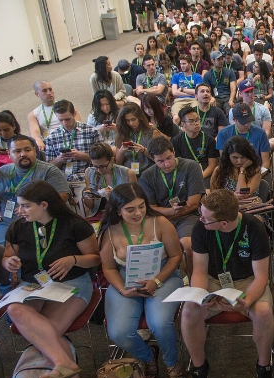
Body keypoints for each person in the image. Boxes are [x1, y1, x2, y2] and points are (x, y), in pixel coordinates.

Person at [2, 180, 99, 378]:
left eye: (25, 206)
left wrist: (73, 259)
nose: (19, 211)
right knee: (14, 309)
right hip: (34, 286)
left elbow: (95, 258)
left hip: (72, 283)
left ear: (44, 205)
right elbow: (6, 255)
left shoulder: (75, 224)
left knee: (50, 332)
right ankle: (65, 365)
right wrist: (9, 262)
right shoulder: (18, 228)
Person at [182, 189, 274, 378]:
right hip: (213, 280)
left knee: (263, 312)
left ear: (223, 223)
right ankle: (200, 370)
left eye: (206, 218)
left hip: (248, 280)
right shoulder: (201, 228)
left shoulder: (254, 228)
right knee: (189, 311)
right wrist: (201, 295)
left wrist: (247, 301)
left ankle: (264, 368)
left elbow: (261, 277)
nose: (200, 219)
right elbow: (199, 270)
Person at [98, 183, 185, 378]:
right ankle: (148, 356)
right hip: (125, 280)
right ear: (117, 210)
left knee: (160, 323)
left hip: (163, 276)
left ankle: (171, 362)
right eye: (130, 209)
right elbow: (108, 268)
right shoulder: (109, 231)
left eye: (141, 206)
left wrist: (156, 281)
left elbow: (175, 256)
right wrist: (122, 289)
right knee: (119, 332)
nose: (138, 213)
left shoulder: (160, 223)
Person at [0, 135, 70, 245]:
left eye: (27, 150)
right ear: (9, 154)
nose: (23, 154)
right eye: (17, 151)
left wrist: (29, 208)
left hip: (40, 223)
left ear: (35, 151)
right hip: (8, 224)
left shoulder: (49, 171)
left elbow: (62, 197)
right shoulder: (1, 172)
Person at [139, 136, 205, 273]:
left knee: (187, 245)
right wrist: (171, 212)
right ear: (153, 159)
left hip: (187, 216)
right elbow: (150, 208)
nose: (167, 164)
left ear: (173, 151)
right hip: (160, 219)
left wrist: (174, 212)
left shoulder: (191, 166)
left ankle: (193, 280)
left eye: (169, 158)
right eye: (160, 161)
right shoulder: (147, 176)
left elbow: (193, 204)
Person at [46, 100, 101, 182]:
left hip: (86, 177)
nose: (64, 123)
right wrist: (59, 159)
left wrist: (83, 156)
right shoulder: (52, 137)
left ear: (74, 113)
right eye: (61, 120)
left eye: (68, 119)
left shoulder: (92, 132)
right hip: (62, 180)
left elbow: (102, 160)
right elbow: (48, 167)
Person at [82, 142, 137, 214]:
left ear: (112, 160)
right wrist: (87, 197)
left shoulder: (127, 173)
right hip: (99, 213)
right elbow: (91, 206)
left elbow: (135, 201)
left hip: (122, 213)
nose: (99, 170)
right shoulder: (89, 172)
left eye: (102, 166)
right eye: (95, 166)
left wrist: (116, 196)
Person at [172, 106, 219, 188]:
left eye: (197, 120)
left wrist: (199, 177)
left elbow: (212, 165)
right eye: (191, 121)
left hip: (205, 173)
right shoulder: (176, 140)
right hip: (185, 172)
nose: (196, 123)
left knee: (206, 192)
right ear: (183, 124)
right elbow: (178, 163)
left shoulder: (209, 140)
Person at [216, 103, 271, 171]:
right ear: (234, 119)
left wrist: (257, 177)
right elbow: (224, 161)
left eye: (249, 120)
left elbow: (266, 162)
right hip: (232, 170)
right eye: (243, 122)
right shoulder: (223, 133)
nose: (247, 124)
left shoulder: (261, 133)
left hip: (255, 169)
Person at [115, 103, 163, 176]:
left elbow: (160, 158)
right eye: (127, 120)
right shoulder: (122, 134)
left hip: (147, 173)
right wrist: (121, 151)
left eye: (133, 119)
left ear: (140, 117)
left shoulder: (152, 132)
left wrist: (144, 150)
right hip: (128, 173)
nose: (131, 123)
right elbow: (118, 164)